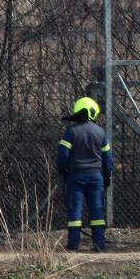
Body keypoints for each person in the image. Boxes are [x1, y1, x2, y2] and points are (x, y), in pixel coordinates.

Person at [56, 97, 113, 251]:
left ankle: (74, 244)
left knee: (74, 211)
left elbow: (63, 154)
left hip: (75, 177)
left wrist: (62, 170)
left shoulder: (71, 131)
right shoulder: (100, 132)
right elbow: (108, 159)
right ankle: (99, 244)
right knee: (97, 210)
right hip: (96, 177)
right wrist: (106, 177)